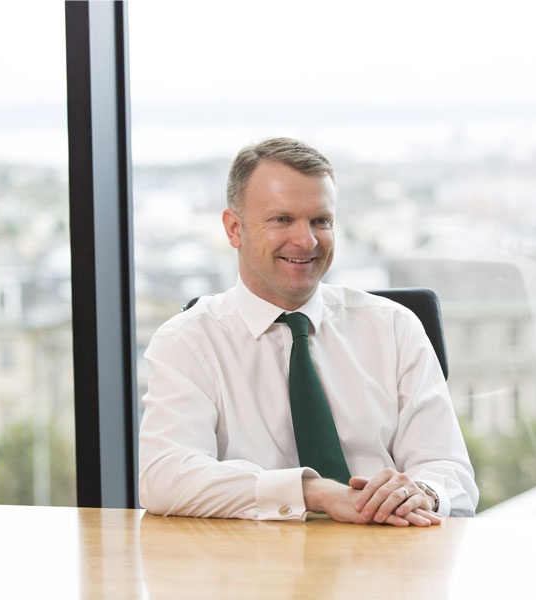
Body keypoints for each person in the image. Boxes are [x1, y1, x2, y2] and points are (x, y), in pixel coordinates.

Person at [139, 137, 478, 526]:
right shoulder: (187, 341)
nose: (307, 240)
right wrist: (314, 493)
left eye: (321, 221)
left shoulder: (394, 327)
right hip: (252, 558)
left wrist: (422, 492)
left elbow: (451, 473)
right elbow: (165, 475)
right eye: (282, 219)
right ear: (234, 229)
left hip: (387, 549)